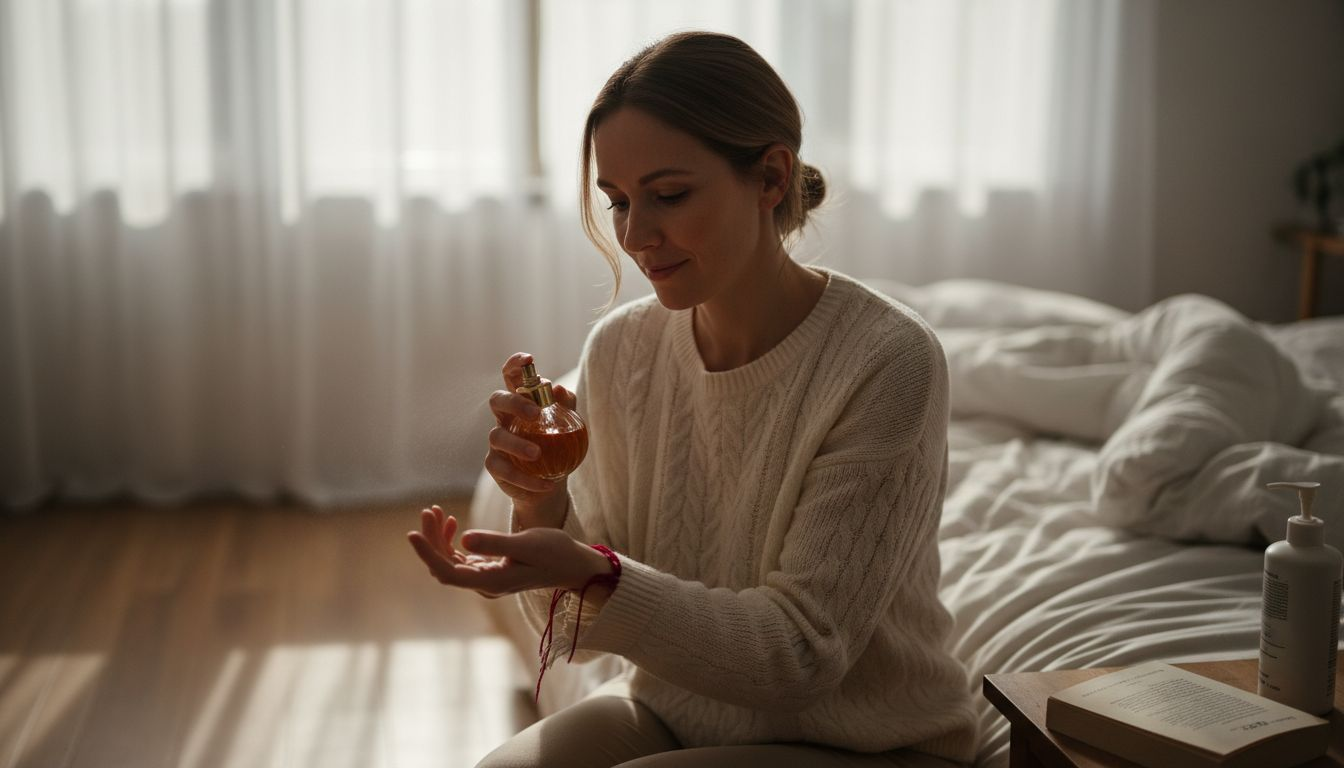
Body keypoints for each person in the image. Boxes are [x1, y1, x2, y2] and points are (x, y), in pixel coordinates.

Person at [407, 30, 978, 768]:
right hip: (673, 713)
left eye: (668, 195)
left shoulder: (888, 361)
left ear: (772, 177)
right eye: (617, 202)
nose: (637, 236)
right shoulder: (620, 350)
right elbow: (576, 632)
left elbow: (801, 655)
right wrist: (542, 505)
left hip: (867, 744)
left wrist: (593, 570)